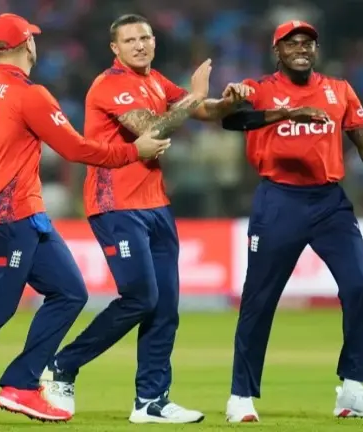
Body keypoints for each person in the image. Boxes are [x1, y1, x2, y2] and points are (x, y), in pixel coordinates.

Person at [0, 13, 171, 428]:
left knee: (69, 292)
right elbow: (77, 148)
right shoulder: (29, 93)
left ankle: (21, 383)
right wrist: (134, 152)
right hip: (4, 216)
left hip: (23, 214)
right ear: (28, 44)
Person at [40, 13, 252, 425]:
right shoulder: (110, 84)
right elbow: (152, 129)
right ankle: (62, 366)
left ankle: (151, 400)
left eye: (145, 37)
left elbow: (203, 111)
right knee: (140, 298)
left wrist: (229, 100)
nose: (139, 45)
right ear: (114, 48)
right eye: (129, 40)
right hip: (115, 205)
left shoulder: (155, 81)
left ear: (154, 42)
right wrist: (195, 94)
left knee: (165, 307)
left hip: (156, 205)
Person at [219, 20, 363, 422]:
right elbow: (232, 120)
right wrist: (283, 112)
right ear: (277, 51)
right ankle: (241, 396)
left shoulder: (338, 90)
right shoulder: (258, 88)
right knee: (259, 299)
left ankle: (352, 389)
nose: (301, 48)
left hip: (329, 202)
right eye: (291, 43)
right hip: (279, 200)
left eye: (307, 42)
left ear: (316, 50)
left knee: (359, 286)